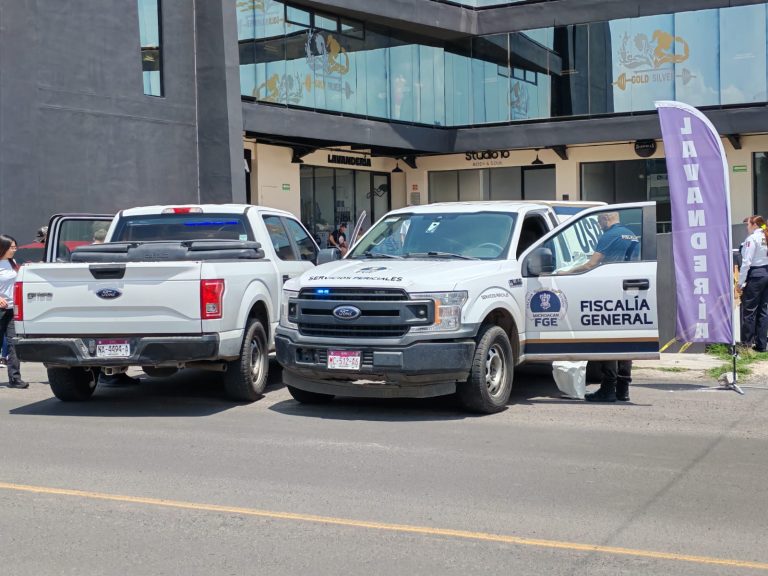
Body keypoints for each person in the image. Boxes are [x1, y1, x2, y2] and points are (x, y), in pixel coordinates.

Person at [560, 211, 638, 402]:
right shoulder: (631, 234)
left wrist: (567, 272)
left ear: (605, 218)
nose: (598, 226)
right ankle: (623, 389)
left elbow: (591, 265)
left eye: (598, 222)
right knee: (625, 342)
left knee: (608, 341)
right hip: (628, 292)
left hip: (609, 291)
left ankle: (608, 389)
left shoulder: (609, 235)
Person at [0, 235, 28, 388]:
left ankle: (15, 378)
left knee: (13, 344)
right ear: (2, 247)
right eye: (11, 247)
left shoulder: (13, 263)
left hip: (12, 310)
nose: (14, 249)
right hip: (0, 310)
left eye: (15, 246)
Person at [737, 215, 768, 352]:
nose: (746, 227)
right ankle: (761, 345)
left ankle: (746, 345)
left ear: (754, 225)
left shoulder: (752, 239)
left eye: (748, 224)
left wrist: (739, 283)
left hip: (755, 275)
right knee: (763, 310)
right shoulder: (765, 236)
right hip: (766, 273)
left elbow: (746, 262)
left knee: (749, 310)